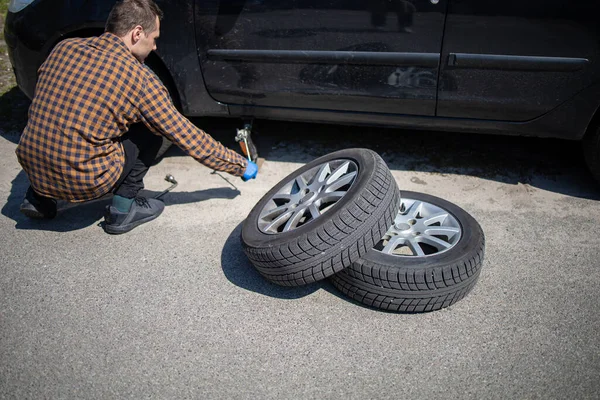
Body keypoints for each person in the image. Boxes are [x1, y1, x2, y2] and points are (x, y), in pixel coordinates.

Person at [15, 0, 258, 234]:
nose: (154, 47)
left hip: (31, 165)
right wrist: (239, 165)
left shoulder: (65, 48)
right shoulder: (140, 80)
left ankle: (39, 199)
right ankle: (122, 210)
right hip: (85, 180)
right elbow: (187, 136)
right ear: (137, 33)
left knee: (58, 121)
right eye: (154, 39)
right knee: (152, 132)